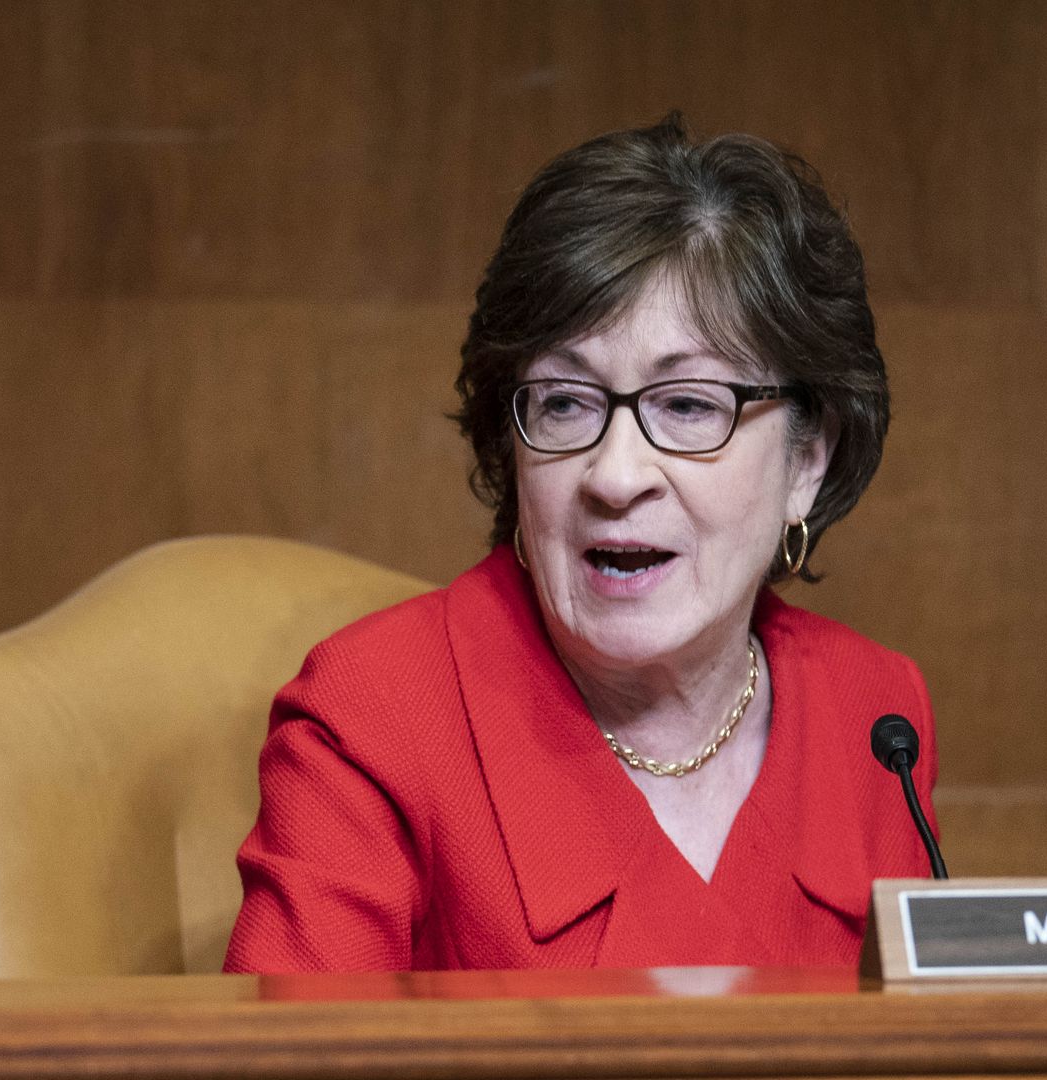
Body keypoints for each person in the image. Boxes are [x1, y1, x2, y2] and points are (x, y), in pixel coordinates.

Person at [224, 115, 936, 972]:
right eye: (565, 403)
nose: (615, 474)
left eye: (689, 405)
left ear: (806, 462)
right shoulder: (373, 721)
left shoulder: (873, 715)